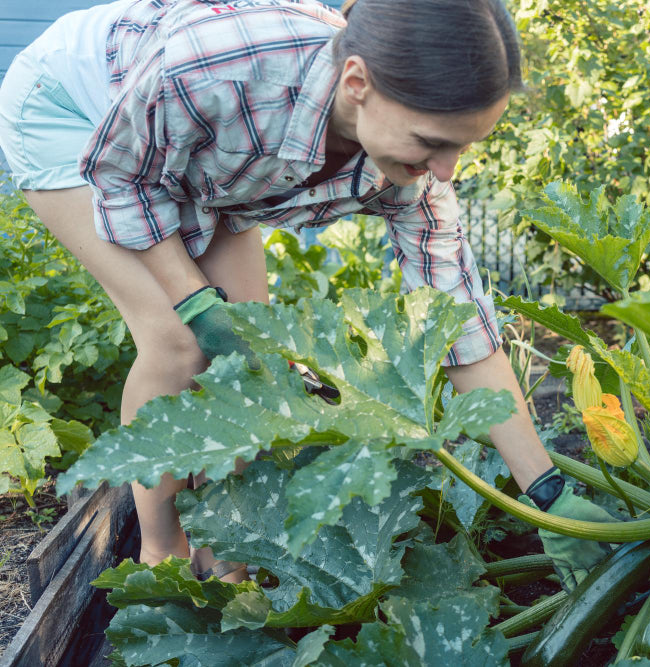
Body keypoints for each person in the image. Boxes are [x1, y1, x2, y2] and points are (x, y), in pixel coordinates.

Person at [0, 0, 612, 588]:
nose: (447, 169)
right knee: (180, 342)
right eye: (431, 141)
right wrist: (195, 301)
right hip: (74, 113)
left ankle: (227, 556)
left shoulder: (418, 182)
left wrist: (549, 494)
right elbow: (125, 173)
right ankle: (160, 549)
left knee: (253, 360)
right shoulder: (223, 64)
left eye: (463, 145)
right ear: (357, 82)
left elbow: (462, 328)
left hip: (196, 149)